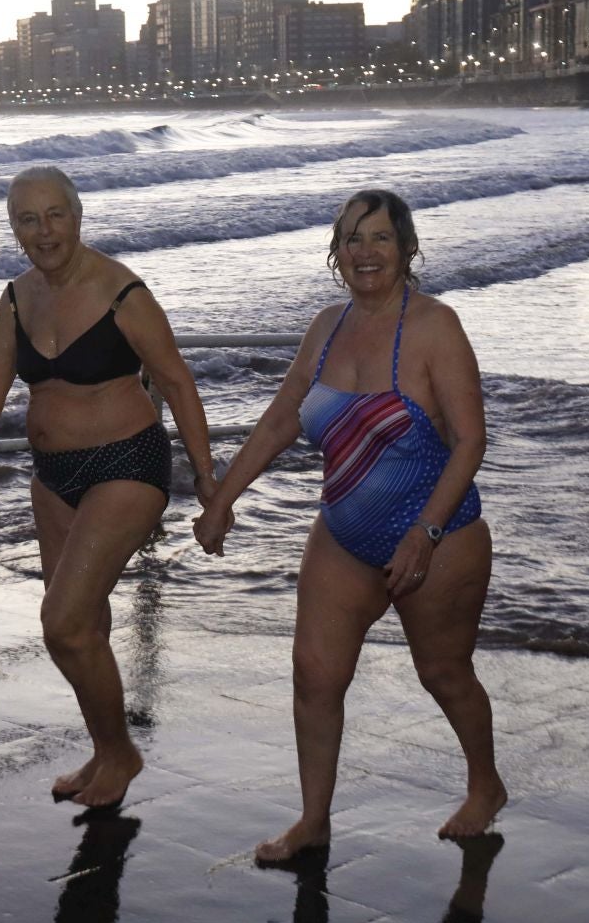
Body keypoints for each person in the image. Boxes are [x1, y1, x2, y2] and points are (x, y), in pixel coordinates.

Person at [195, 189, 505, 861]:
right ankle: (313, 820)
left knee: (444, 674)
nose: (365, 253)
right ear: (335, 255)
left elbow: (472, 441)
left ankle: (485, 785)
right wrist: (223, 498)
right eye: (351, 241)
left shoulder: (434, 328)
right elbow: (282, 419)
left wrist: (423, 532)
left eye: (380, 239)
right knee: (314, 674)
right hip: (343, 536)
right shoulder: (325, 328)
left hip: (440, 536)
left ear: (408, 250)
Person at [0, 166, 216, 808]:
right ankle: (104, 749)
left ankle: (121, 754)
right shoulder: (16, 297)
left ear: (78, 216)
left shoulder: (122, 292)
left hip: (126, 464)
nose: (44, 231)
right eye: (27, 220)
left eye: (54, 215)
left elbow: (176, 382)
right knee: (86, 624)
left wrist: (208, 484)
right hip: (53, 477)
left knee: (61, 624)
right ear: (14, 229)